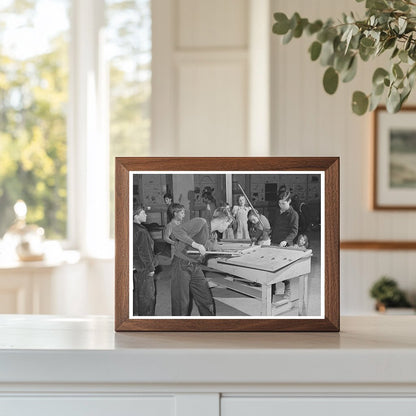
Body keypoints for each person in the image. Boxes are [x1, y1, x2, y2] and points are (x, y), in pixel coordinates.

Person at [170, 207, 233, 316]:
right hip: (181, 264)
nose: (227, 227)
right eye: (228, 224)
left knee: (206, 299)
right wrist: (196, 245)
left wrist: (232, 254)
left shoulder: (213, 234)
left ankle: (208, 327)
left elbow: (215, 249)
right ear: (223, 221)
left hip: (195, 267)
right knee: (182, 303)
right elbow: (176, 231)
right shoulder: (201, 222)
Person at [271, 191, 299, 299]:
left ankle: (287, 290)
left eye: (283, 204)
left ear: (289, 201)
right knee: (272, 267)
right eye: (279, 203)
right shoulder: (277, 212)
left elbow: (294, 231)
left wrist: (286, 240)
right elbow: (274, 226)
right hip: (274, 242)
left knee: (284, 269)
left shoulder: (294, 214)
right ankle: (272, 289)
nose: (281, 206)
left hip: (285, 245)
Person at [132, 205, 158, 316]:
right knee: (148, 297)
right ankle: (146, 321)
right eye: (143, 213)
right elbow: (145, 252)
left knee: (137, 293)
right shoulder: (141, 231)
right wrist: (150, 269)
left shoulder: (132, 228)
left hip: (135, 267)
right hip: (144, 268)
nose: (146, 215)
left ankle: (136, 316)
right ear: (136, 216)